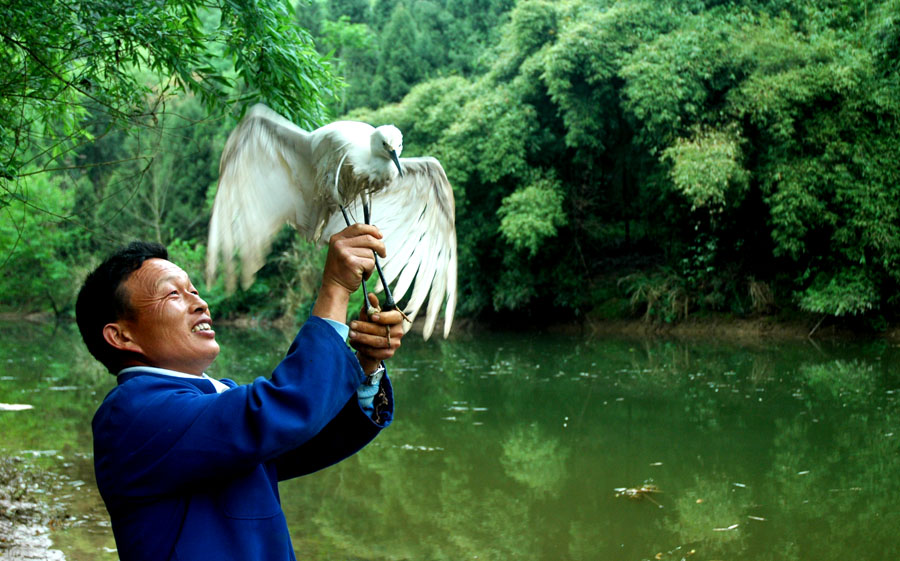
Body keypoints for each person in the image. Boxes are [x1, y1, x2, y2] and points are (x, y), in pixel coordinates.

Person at [75, 224, 405, 561]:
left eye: (193, 290)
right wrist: (334, 289)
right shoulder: (132, 414)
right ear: (121, 336)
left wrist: (366, 365)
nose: (200, 303)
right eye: (173, 294)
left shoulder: (211, 399)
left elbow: (306, 436)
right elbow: (283, 410)